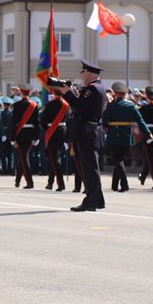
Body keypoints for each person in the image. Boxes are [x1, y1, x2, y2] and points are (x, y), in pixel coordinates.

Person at [53, 60, 105, 211]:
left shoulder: (93, 89)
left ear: (88, 72)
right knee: (91, 167)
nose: (82, 75)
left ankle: (91, 201)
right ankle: (98, 200)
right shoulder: (96, 87)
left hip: (87, 132)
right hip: (89, 132)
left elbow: (79, 107)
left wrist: (67, 93)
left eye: (83, 72)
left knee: (89, 169)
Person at [101, 82, 151, 192]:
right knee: (120, 159)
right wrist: (147, 132)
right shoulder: (131, 106)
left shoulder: (112, 105)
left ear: (116, 94)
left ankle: (124, 185)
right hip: (126, 135)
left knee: (117, 160)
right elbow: (140, 121)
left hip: (114, 134)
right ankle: (114, 185)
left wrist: (107, 127)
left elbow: (104, 120)